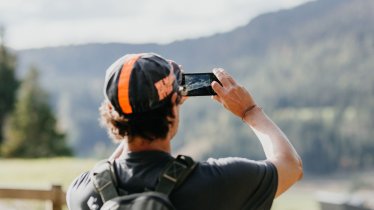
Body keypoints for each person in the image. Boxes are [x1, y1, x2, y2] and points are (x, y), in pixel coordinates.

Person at [66, 53, 303, 210]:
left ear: (111, 113)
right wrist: (250, 111)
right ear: (173, 107)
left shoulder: (81, 192)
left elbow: (106, 173)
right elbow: (290, 166)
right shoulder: (219, 182)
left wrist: (151, 110)